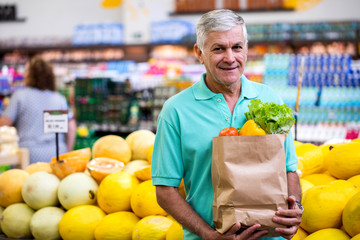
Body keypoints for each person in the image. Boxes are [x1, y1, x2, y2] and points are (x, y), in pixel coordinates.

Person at [151, 9, 302, 240]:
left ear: (247, 49)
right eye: (218, 49)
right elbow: (164, 189)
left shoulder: (271, 99)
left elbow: (290, 169)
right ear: (199, 53)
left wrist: (296, 208)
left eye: (237, 47)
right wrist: (207, 234)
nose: (230, 58)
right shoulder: (176, 111)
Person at [0, 56, 76, 164]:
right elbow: (71, 128)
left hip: (29, 155)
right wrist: (67, 151)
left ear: (30, 75)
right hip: (57, 152)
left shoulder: (19, 96)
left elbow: (4, 124)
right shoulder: (59, 99)